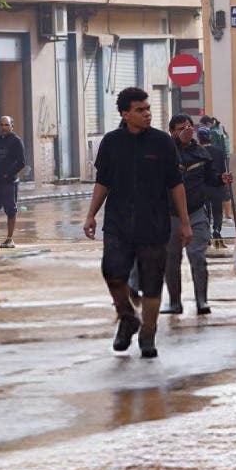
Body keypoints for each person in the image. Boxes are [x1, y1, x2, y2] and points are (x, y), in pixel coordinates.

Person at [81, 87, 189, 359]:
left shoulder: (162, 143)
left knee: (152, 284)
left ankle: (148, 334)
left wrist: (185, 223)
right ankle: (127, 317)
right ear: (125, 114)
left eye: (148, 108)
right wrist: (91, 214)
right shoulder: (111, 142)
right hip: (118, 224)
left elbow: (176, 185)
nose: (147, 114)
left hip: (154, 225)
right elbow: (103, 182)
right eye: (140, 110)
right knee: (112, 272)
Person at [161, 114, 228, 316]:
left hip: (197, 212)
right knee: (171, 260)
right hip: (170, 214)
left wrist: (221, 179)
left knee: (197, 256)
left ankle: (202, 301)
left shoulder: (201, 153)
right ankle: (174, 302)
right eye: (181, 128)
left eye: (189, 126)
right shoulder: (165, 153)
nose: (187, 130)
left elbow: (211, 179)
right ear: (172, 131)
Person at [0, 116, 26, 249]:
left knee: (11, 211)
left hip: (9, 183)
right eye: (2, 125)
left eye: (6, 125)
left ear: (12, 126)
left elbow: (22, 163)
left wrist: (8, 173)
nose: (4, 128)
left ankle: (9, 240)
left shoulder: (16, 141)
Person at [200, 116, 232, 247]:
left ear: (199, 138)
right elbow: (224, 169)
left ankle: (207, 233)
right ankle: (217, 230)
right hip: (218, 185)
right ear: (210, 137)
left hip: (204, 186)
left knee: (205, 211)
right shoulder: (219, 151)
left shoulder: (199, 151)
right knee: (217, 210)